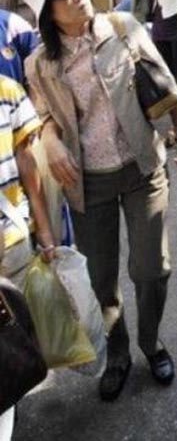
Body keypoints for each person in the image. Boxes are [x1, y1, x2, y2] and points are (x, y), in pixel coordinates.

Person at [21, 0, 177, 402]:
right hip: (88, 182)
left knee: (151, 269)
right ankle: (118, 353)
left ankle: (151, 342)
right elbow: (38, 112)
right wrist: (49, 134)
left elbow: (164, 79)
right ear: (47, 14)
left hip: (142, 167)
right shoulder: (39, 63)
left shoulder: (123, 28)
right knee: (102, 279)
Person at [0, 74, 56, 441]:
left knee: (5, 345)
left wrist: (45, 228)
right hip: (11, 238)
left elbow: (27, 161)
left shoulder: (8, 90)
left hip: (12, 242)